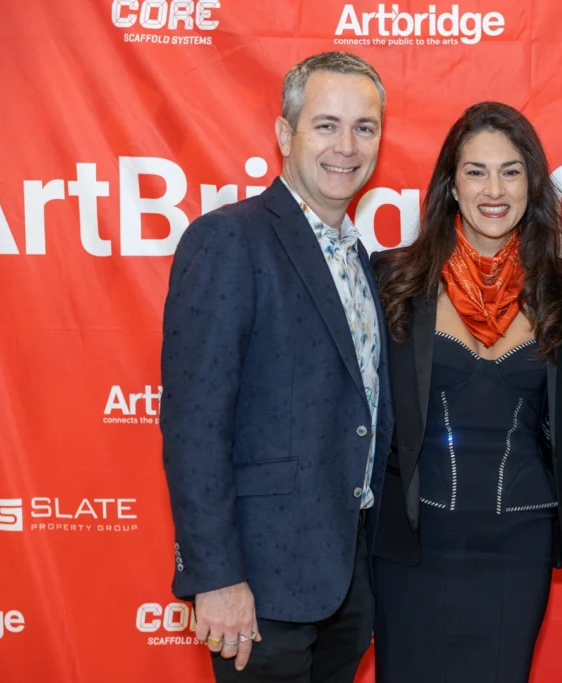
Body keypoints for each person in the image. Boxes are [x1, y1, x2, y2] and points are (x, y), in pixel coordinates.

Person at [159, 51, 392, 683]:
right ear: (285, 134)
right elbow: (194, 426)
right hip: (259, 586)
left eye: (364, 128)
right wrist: (217, 578)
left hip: (347, 578)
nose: (346, 146)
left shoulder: (358, 258)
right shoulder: (231, 239)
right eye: (326, 125)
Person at [369, 101, 562, 683]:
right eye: (476, 171)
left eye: (511, 171)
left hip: (519, 547)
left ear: (532, 185)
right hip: (411, 545)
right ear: (451, 185)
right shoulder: (392, 279)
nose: (494, 189)